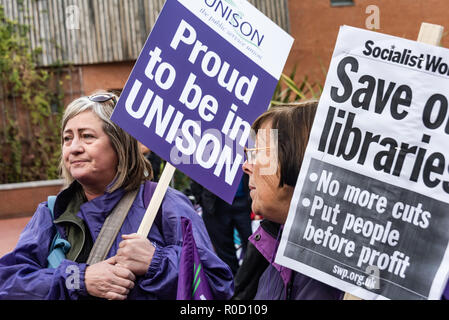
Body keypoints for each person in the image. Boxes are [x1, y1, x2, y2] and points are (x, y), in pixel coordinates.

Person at [0, 91, 233, 300]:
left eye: (87, 136)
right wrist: (80, 279)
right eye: (67, 138)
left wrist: (156, 263)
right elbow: (9, 282)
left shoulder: (163, 204)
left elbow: (217, 284)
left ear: (119, 146)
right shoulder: (53, 211)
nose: (74, 147)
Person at [235, 100, 343, 300]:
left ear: (300, 158)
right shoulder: (276, 241)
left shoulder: (337, 276)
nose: (246, 166)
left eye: (258, 153)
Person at [191, 175, 252, 275]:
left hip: (244, 199)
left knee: (253, 247)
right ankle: (234, 286)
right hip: (215, 204)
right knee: (224, 254)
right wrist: (201, 198)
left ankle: (249, 283)